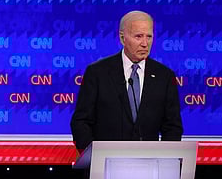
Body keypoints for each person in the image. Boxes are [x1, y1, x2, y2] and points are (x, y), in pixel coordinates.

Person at [70, 10, 183, 152]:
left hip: (149, 161)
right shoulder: (97, 73)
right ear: (123, 38)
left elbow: (172, 126)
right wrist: (93, 155)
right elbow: (81, 122)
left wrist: (165, 157)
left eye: (149, 36)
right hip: (106, 160)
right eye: (138, 36)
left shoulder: (164, 76)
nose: (145, 43)